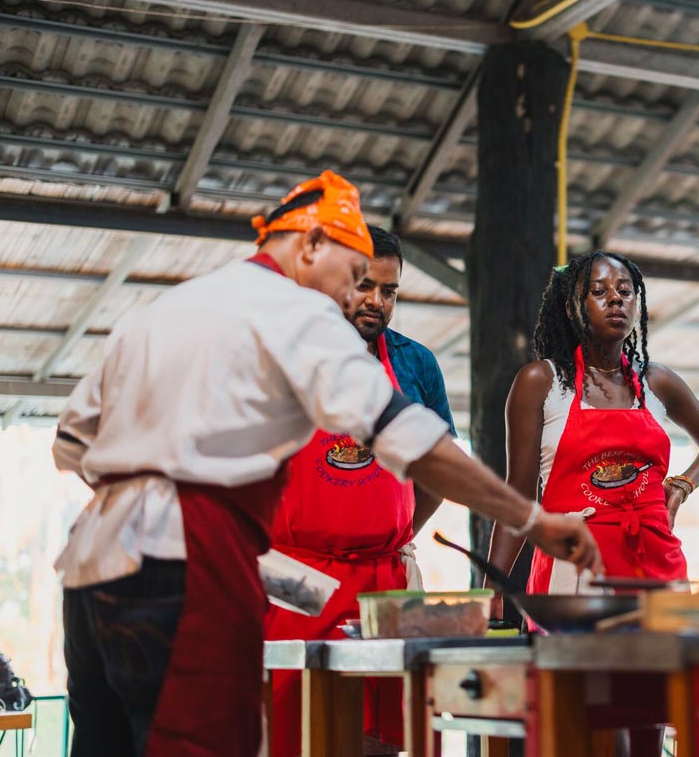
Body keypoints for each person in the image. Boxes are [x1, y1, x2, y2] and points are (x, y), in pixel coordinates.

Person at [52, 170, 601, 757]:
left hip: (92, 568)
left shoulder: (162, 311)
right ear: (311, 244)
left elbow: (73, 442)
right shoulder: (299, 314)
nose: (353, 295)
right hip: (184, 573)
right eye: (352, 276)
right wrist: (533, 520)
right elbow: (410, 440)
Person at [264, 227, 454, 757]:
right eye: (366, 285)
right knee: (294, 722)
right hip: (298, 576)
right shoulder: (286, 357)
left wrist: (392, 537)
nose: (377, 301)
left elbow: (439, 470)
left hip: (387, 580)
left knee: (391, 731)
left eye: (390, 291)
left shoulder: (416, 365)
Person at [487, 250, 699, 600]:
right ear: (572, 309)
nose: (615, 298)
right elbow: (519, 497)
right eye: (599, 291)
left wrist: (682, 485)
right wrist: (492, 587)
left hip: (656, 565)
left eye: (625, 291)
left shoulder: (656, 381)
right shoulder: (541, 381)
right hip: (573, 571)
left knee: (665, 655)